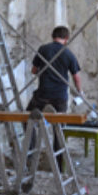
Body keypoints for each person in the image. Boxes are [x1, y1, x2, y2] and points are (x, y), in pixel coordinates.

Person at [27, 25, 82, 170]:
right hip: (59, 97)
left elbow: (33, 71)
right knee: (59, 129)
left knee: (27, 118)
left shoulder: (43, 49)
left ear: (53, 36)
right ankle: (58, 164)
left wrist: (44, 71)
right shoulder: (68, 54)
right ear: (66, 39)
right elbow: (76, 78)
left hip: (42, 95)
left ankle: (30, 153)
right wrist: (80, 92)